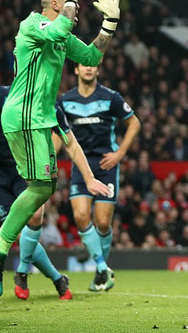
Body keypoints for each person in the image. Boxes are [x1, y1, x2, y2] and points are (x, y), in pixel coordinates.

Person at [0, 0, 121, 297]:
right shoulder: (31, 25)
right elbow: (59, 29)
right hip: (24, 115)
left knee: (43, 188)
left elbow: (90, 54)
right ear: (56, 5)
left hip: (39, 117)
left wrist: (109, 25)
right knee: (41, 187)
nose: (75, 10)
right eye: (70, 4)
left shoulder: (59, 34)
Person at [0, 86, 109, 299]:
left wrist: (89, 177)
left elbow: (71, 143)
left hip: (26, 168)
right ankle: (56, 278)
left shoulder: (49, 105)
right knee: (19, 234)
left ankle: (16, 268)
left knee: (37, 216)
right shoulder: (2, 94)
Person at [58, 63, 140, 291]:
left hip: (106, 164)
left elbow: (134, 123)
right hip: (82, 166)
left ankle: (99, 272)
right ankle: (103, 267)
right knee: (82, 215)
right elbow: (59, 134)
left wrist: (119, 154)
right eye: (84, 64)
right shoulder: (65, 100)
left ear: (98, 71)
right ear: (76, 70)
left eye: (93, 65)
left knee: (103, 222)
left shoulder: (110, 97)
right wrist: (51, 159)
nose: (88, 68)